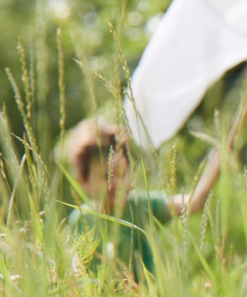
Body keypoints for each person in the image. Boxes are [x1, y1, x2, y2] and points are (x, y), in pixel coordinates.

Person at [62, 117, 228, 283]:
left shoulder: (141, 206)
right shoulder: (81, 220)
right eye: (106, 176)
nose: (116, 184)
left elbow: (193, 204)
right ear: (84, 181)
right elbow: (76, 273)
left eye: (122, 175)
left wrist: (214, 168)